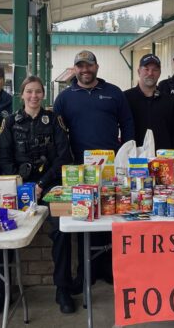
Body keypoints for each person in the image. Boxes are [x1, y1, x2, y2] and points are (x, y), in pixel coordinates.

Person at [53, 50, 134, 293]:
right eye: (80, 66)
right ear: (74, 69)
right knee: (83, 218)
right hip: (79, 169)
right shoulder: (65, 98)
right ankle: (85, 273)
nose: (85, 70)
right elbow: (57, 133)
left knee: (109, 215)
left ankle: (108, 270)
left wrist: (126, 152)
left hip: (111, 168)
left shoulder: (113, 93)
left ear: (96, 67)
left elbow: (127, 123)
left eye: (88, 65)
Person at [0, 76, 74, 313]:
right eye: (29, 92)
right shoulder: (10, 122)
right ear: (22, 95)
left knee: (62, 227)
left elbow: (64, 157)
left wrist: (40, 184)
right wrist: (22, 185)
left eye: (38, 92)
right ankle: (2, 291)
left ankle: (63, 288)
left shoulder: (53, 120)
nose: (33, 96)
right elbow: (4, 157)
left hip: (50, 185)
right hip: (18, 186)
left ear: (43, 94)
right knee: (2, 226)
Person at [124, 53, 174, 149]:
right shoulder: (126, 98)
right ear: (139, 71)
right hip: (133, 160)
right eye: (146, 69)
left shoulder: (169, 101)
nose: (150, 73)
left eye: (155, 70)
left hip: (163, 160)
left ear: (160, 73)